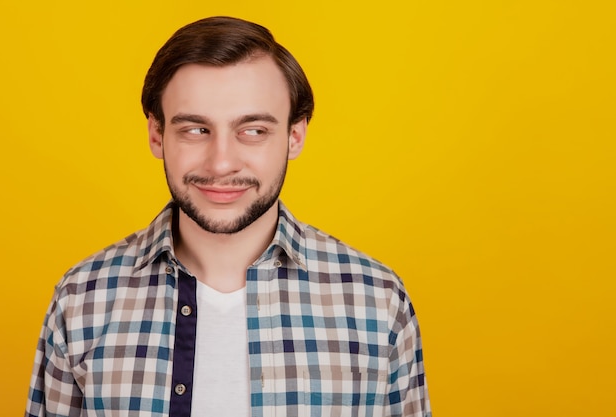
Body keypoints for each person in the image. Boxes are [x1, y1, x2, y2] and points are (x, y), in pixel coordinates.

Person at [25, 16, 431, 417]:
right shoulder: (81, 299)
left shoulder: (377, 302)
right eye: (195, 130)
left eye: (253, 130)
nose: (221, 163)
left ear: (295, 136)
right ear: (156, 134)